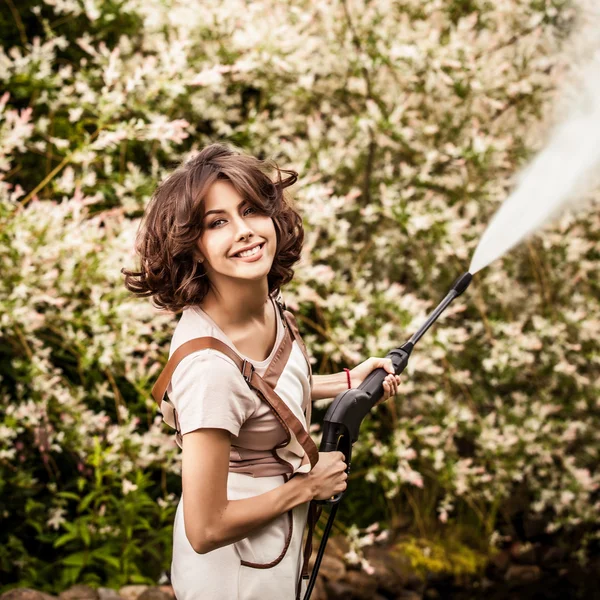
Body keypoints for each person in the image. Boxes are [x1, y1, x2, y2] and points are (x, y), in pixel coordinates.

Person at [122, 143, 401, 599]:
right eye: (217, 222)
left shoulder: (265, 305)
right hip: (231, 570)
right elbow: (205, 528)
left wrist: (350, 381)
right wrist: (308, 487)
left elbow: (262, 394)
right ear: (191, 246)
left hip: (273, 545)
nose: (245, 232)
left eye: (251, 210)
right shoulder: (207, 368)